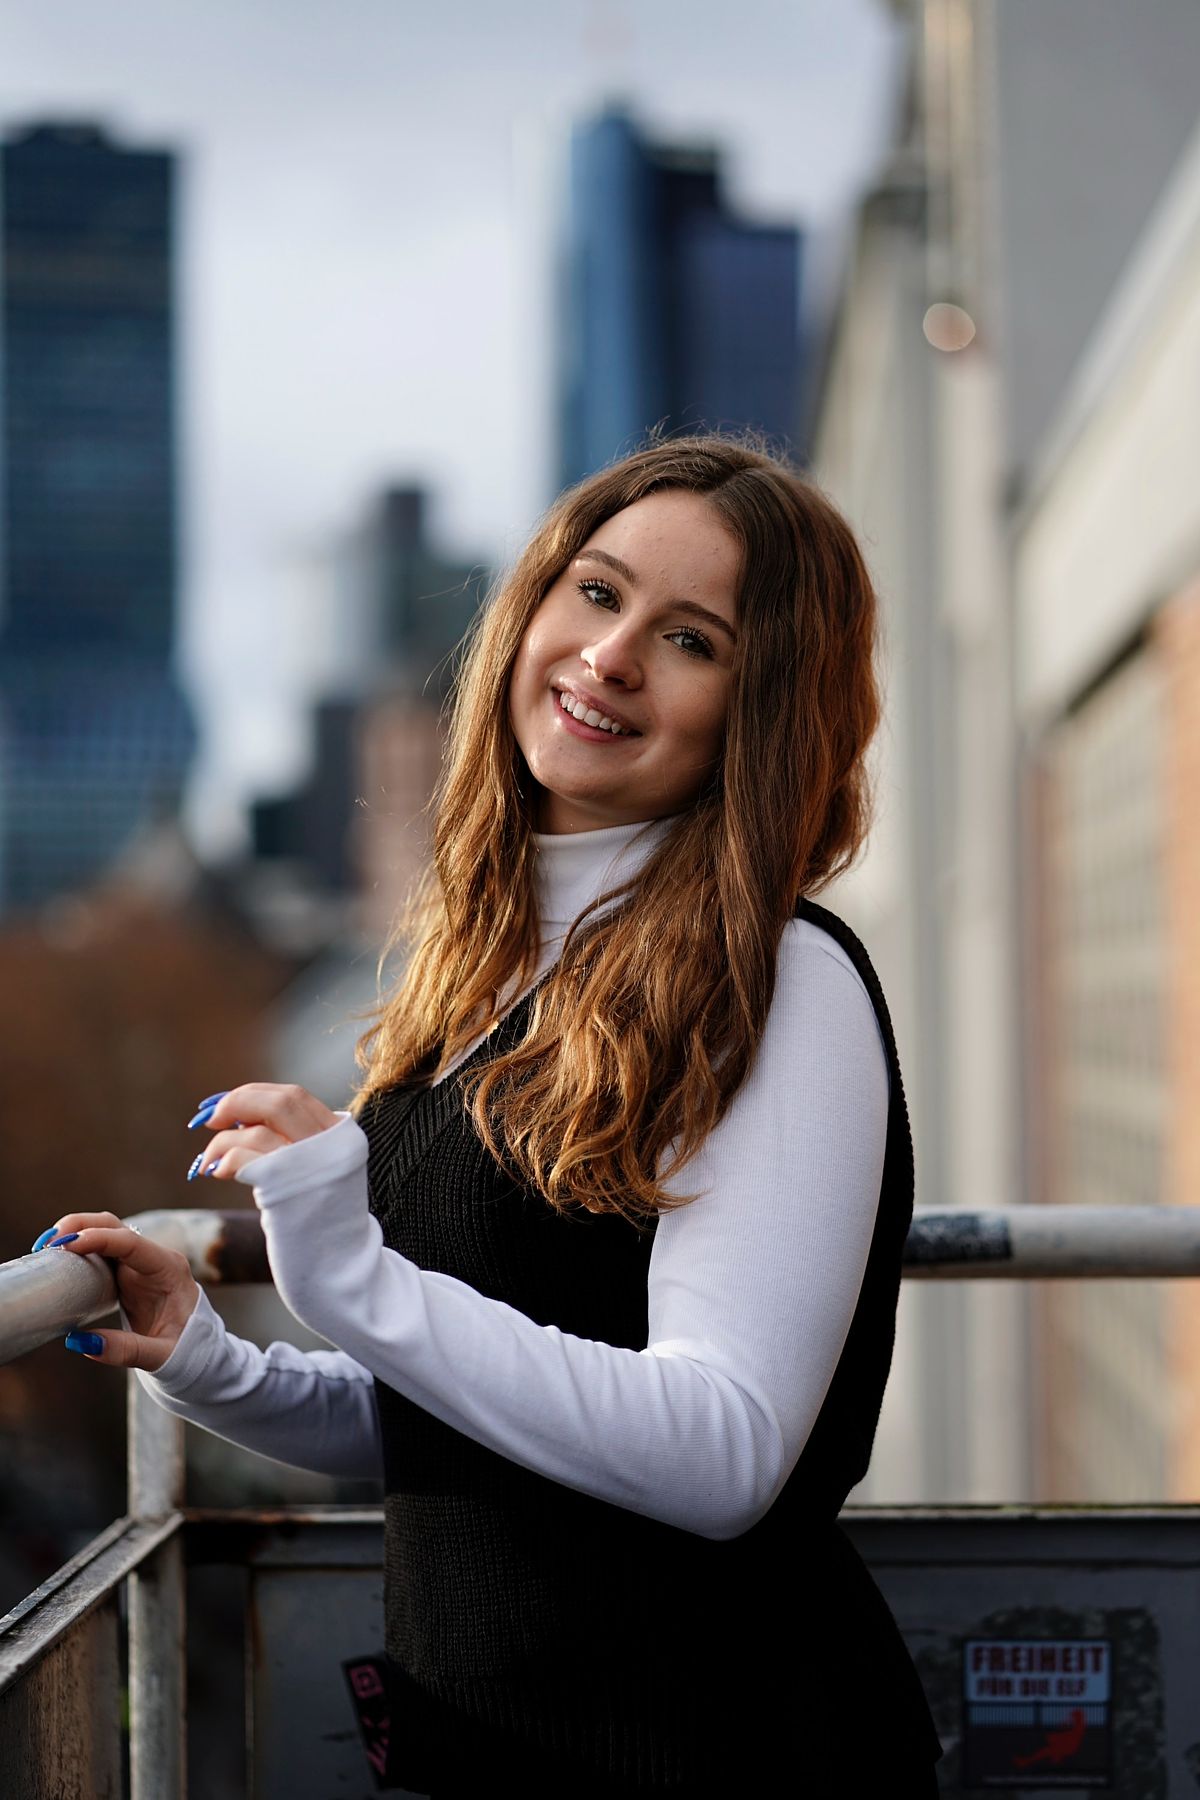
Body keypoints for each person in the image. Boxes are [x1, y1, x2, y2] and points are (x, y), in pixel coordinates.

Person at [38, 436, 944, 1796]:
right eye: (598, 592)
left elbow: (724, 1452)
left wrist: (350, 1274)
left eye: (691, 639)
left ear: (759, 711)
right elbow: (473, 1410)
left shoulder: (782, 979)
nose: (612, 656)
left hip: (717, 1752)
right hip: (485, 1751)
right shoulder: (487, 975)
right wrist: (214, 1364)